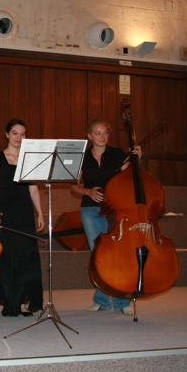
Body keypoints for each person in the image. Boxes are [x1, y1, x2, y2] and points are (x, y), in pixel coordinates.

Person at [70, 119, 141, 316]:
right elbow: (73, 185)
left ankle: (121, 302)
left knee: (116, 254)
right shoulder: (83, 157)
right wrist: (87, 192)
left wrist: (136, 159)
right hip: (90, 210)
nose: (102, 136)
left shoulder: (117, 154)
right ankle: (101, 300)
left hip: (115, 208)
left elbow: (129, 176)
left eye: (105, 133)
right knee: (98, 255)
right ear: (90, 136)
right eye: (98, 133)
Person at [0, 119, 45, 317]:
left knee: (25, 258)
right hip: (3, 214)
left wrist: (39, 212)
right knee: (4, 258)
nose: (18, 137)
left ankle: (24, 303)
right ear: (7, 134)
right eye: (15, 133)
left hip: (24, 213)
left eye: (22, 134)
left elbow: (33, 187)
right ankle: (9, 302)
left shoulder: (29, 158)